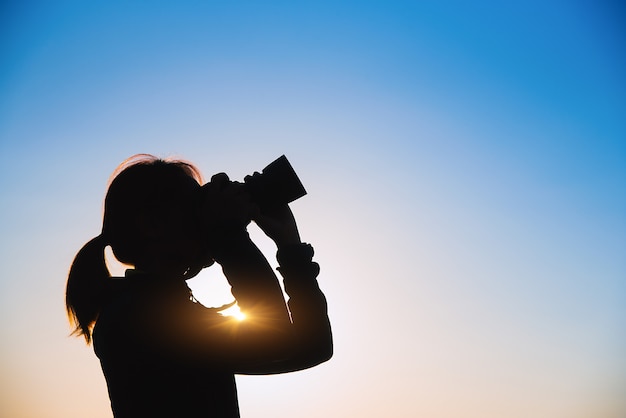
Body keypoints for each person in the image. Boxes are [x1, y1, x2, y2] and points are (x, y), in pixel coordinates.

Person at [65, 154, 333, 417]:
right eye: (197, 205)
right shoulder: (137, 317)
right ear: (153, 224)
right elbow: (277, 340)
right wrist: (228, 236)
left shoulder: (166, 310)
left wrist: (290, 247)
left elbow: (311, 348)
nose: (207, 216)